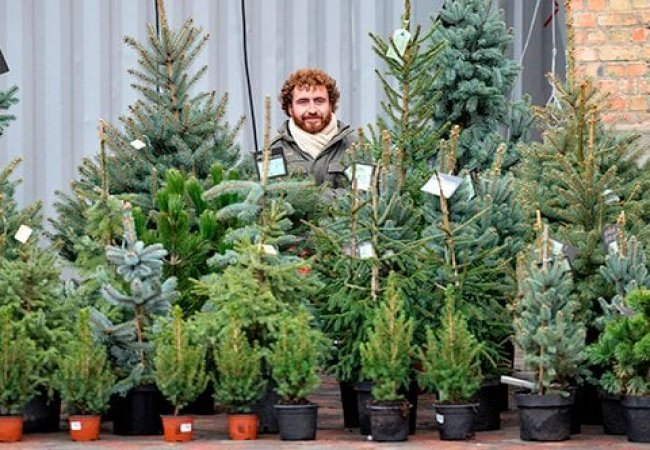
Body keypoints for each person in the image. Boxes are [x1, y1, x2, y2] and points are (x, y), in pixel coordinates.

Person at [270, 68, 356, 190]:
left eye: (319, 101)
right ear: (290, 108)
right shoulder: (273, 152)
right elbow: (271, 197)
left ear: (331, 105)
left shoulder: (356, 147)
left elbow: (365, 194)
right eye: (303, 102)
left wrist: (310, 198)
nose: (312, 110)